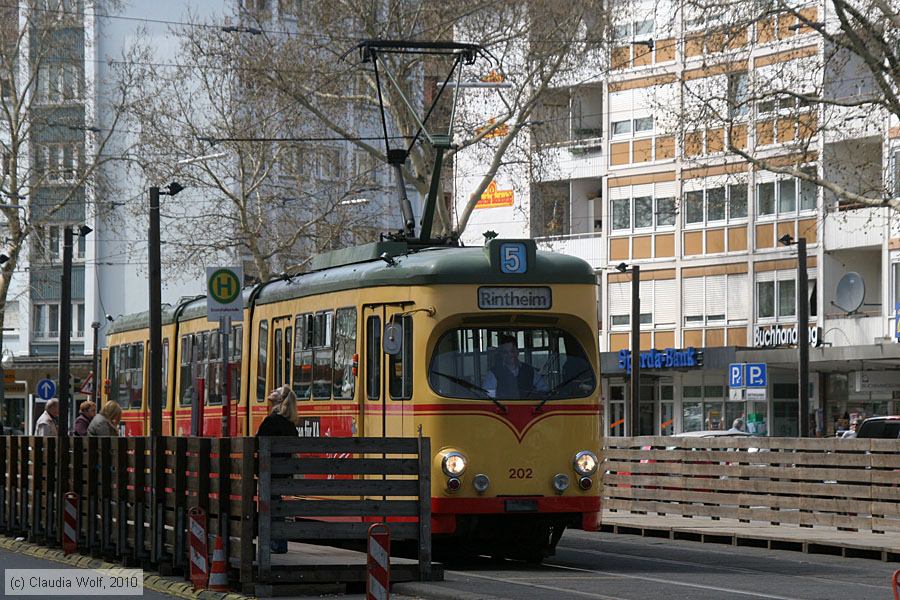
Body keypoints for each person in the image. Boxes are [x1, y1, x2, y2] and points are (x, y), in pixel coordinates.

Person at [255, 385, 299, 553]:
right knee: (276, 503)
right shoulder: (290, 424)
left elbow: (256, 442)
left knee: (271, 505)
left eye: (277, 391)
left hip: (270, 471)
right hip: (284, 472)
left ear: (280, 399)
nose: (272, 390)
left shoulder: (271, 421)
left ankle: (276, 544)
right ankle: (279, 543)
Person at [482, 335, 548, 399]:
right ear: (501, 354)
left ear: (517, 351)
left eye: (512, 351)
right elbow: (489, 398)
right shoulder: (493, 373)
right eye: (505, 352)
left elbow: (544, 391)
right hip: (502, 409)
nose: (510, 355)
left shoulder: (530, 371)